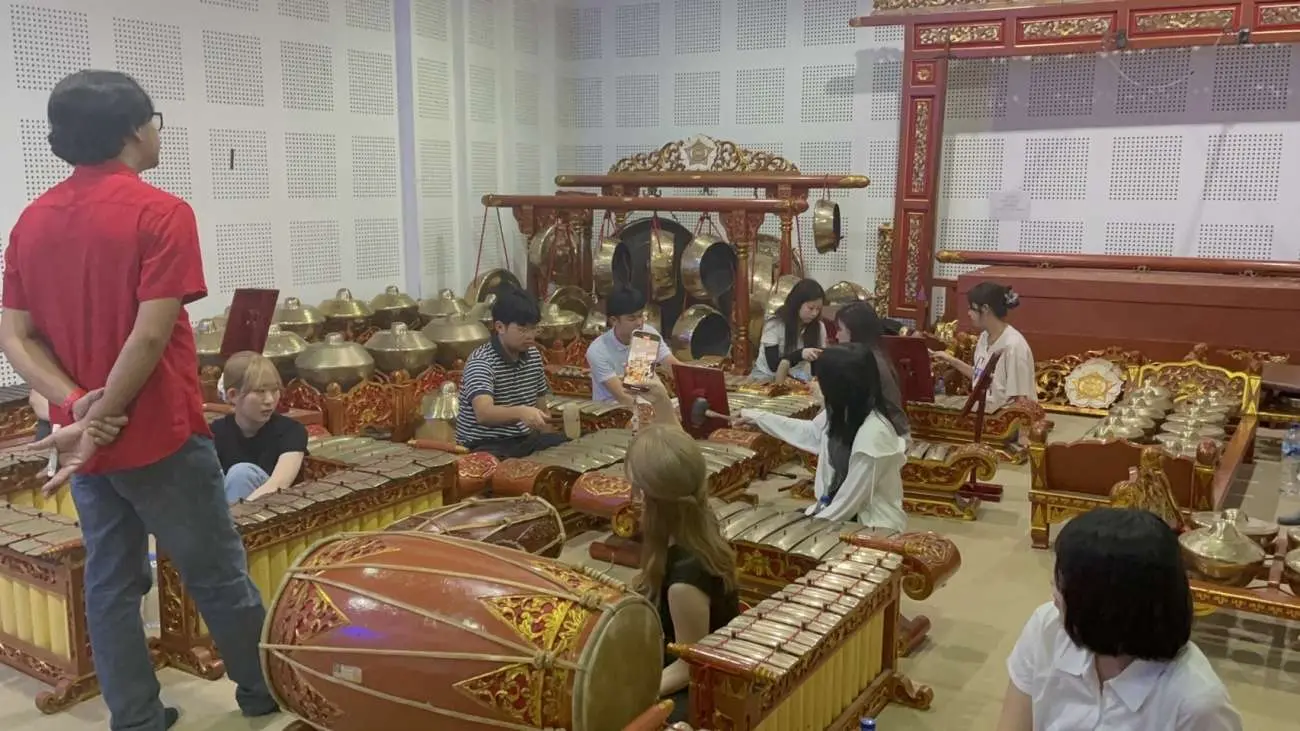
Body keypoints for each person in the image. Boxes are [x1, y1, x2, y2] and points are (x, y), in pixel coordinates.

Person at [0, 70, 278, 729]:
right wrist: (97, 417)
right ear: (131, 129)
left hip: (85, 446)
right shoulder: (161, 212)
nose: (157, 131)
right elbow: (150, 334)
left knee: (112, 582)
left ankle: (136, 717)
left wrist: (76, 407)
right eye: (155, 120)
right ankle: (263, 692)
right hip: (159, 435)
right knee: (217, 573)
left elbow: (14, 335)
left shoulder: (31, 221)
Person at [997, 508, 1241, 731]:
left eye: (1062, 583)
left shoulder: (1196, 704)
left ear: (1104, 606)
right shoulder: (1047, 627)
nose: (1053, 592)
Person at [624, 379, 739, 724]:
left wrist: (628, 693)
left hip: (699, 687)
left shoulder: (684, 583)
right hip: (674, 655)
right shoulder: (698, 514)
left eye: (636, 487)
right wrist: (661, 403)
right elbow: (683, 461)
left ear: (648, 499)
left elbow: (690, 667)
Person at [739, 344, 908, 532]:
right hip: (834, 511)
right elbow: (812, 432)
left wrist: (806, 527)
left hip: (870, 526)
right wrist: (759, 418)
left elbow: (848, 503)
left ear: (838, 385)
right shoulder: (842, 412)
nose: (813, 384)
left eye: (819, 379)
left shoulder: (874, 435)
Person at [456, 285, 567, 459]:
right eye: (522, 329)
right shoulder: (481, 361)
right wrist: (520, 412)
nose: (530, 336)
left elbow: (541, 407)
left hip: (524, 440)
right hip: (485, 444)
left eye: (533, 328)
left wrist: (549, 440)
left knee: (567, 448)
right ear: (500, 327)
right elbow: (484, 413)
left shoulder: (533, 354)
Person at [211, 351, 308, 504]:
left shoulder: (291, 431)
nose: (269, 400)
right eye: (260, 391)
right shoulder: (215, 432)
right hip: (226, 510)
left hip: (279, 508)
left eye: (274, 390)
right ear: (233, 395)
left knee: (241, 474)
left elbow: (278, 484)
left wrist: (236, 513)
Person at [931, 281, 1036, 411]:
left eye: (972, 308)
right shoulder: (984, 337)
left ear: (985, 309)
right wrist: (949, 359)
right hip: (983, 412)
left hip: (1003, 418)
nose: (969, 313)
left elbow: (1021, 401)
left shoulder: (1014, 346)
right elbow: (980, 378)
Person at [586, 284, 682, 406]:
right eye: (632, 319)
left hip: (643, 402)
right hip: (613, 409)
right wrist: (661, 408)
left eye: (641, 315)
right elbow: (623, 397)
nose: (639, 323)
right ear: (614, 320)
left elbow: (673, 367)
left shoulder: (646, 334)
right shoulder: (598, 350)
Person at [833, 302, 908, 433]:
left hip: (884, 434)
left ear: (855, 331)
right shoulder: (872, 355)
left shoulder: (870, 362)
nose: (836, 336)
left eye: (840, 330)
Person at [750, 278, 826, 383]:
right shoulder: (775, 324)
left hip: (797, 376)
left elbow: (819, 362)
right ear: (797, 304)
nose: (814, 314)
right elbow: (773, 365)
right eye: (811, 308)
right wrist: (800, 354)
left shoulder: (819, 327)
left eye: (818, 309)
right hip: (766, 376)